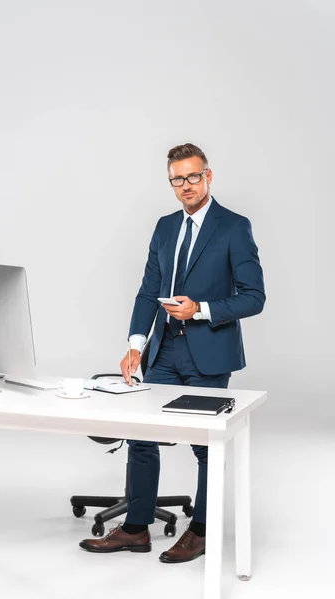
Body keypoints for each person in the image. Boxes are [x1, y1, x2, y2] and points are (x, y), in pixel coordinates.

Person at [79, 143, 266, 563]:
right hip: (163, 351)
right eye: (177, 179)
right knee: (141, 437)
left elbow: (255, 297)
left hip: (209, 354)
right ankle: (135, 529)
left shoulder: (234, 227)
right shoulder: (164, 227)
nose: (185, 186)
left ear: (209, 176)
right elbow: (149, 290)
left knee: (205, 447)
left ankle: (200, 531)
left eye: (193, 177)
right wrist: (134, 346)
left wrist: (200, 310)